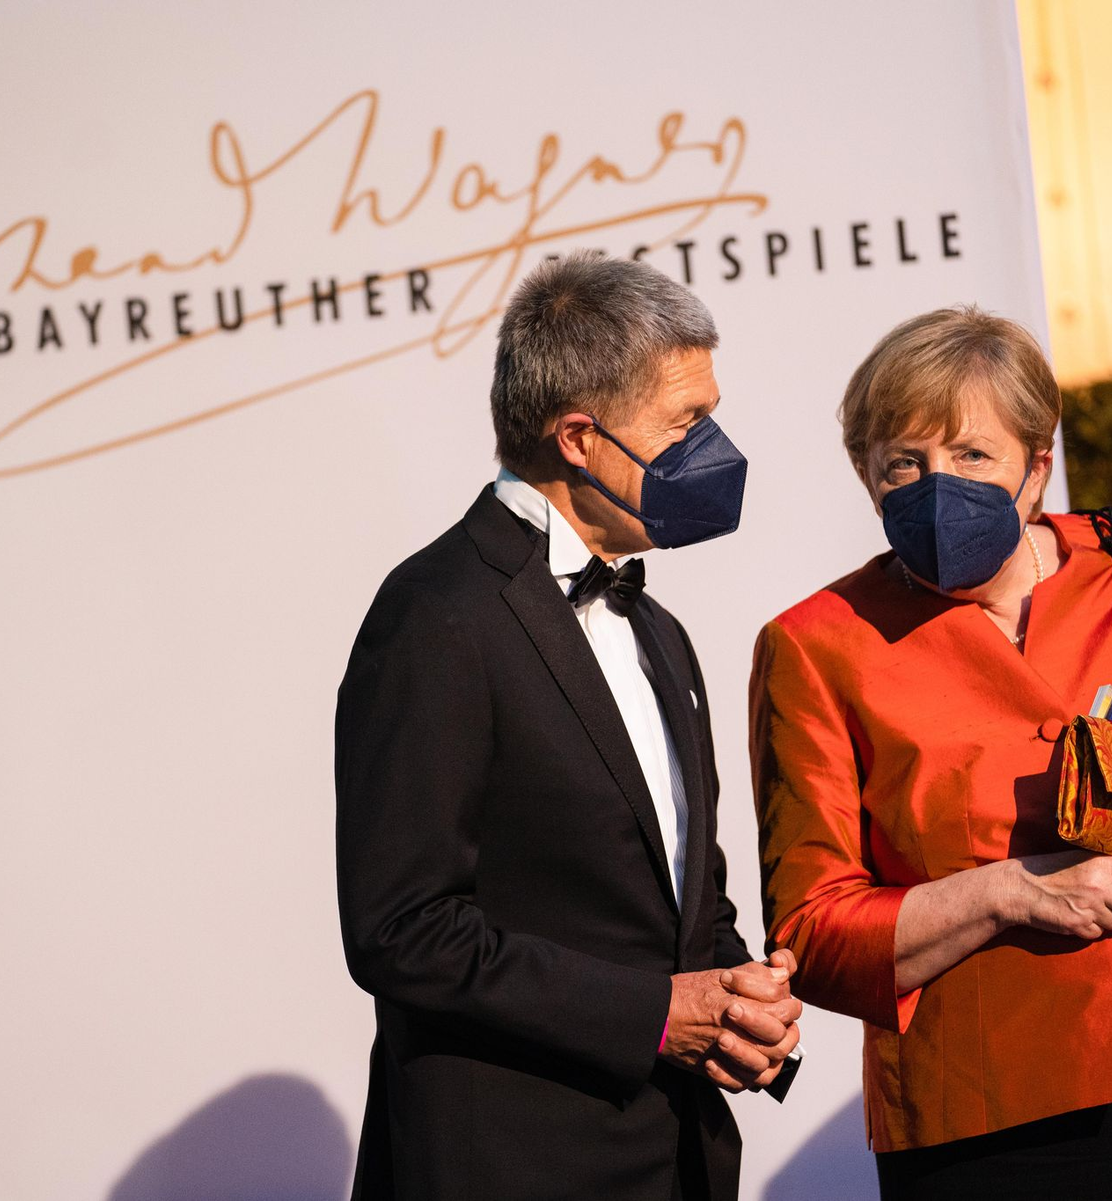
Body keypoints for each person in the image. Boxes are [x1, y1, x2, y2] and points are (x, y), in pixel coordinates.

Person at [336, 251, 801, 1201]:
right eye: (686, 425)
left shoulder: (658, 631)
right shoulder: (436, 612)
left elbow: (685, 902)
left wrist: (744, 1002)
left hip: (673, 1161)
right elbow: (400, 926)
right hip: (508, 1164)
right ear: (580, 437)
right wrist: (654, 1013)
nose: (711, 449)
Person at [750, 305, 1112, 1199]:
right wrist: (1009, 890)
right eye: (905, 462)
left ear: (1037, 469)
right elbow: (812, 931)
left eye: (972, 455)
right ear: (866, 475)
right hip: (987, 1123)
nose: (939, 484)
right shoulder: (818, 645)